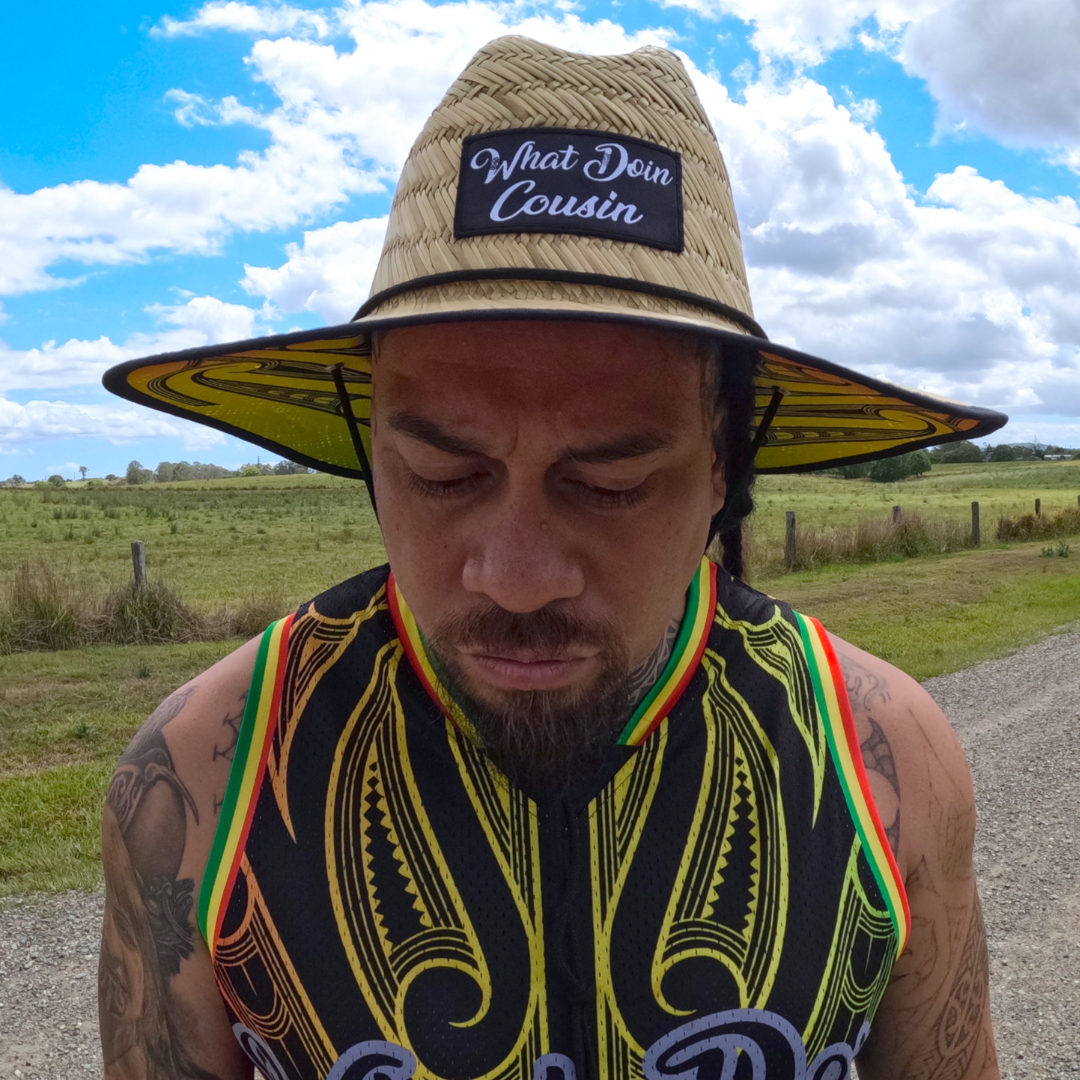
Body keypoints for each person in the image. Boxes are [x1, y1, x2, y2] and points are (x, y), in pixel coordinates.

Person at [99, 36, 1006, 1080]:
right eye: (443, 474)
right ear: (368, 446)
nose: (518, 577)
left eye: (610, 486)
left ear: (724, 464)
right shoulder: (204, 779)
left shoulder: (884, 760)